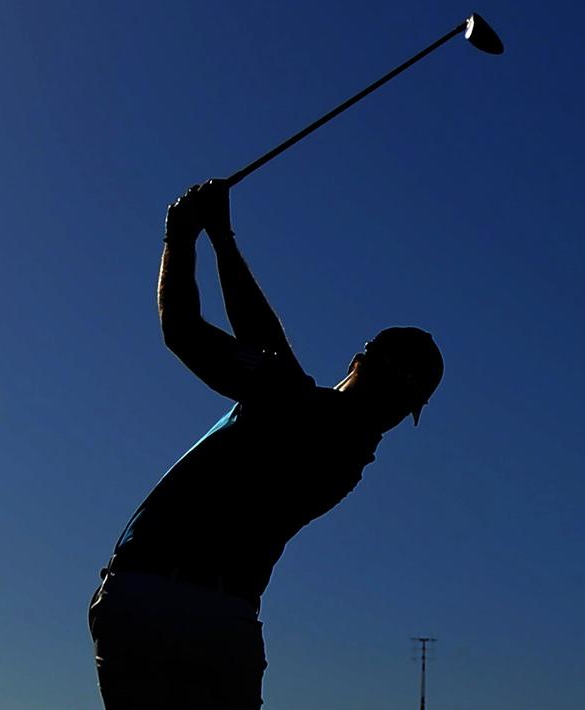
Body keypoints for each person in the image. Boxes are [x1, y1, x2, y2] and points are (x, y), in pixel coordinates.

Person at [87, 180, 444, 709]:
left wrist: (190, 235)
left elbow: (187, 330)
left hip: (153, 597)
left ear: (359, 360)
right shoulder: (331, 439)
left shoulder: (309, 416)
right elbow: (267, 348)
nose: (390, 416)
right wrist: (214, 236)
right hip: (220, 618)